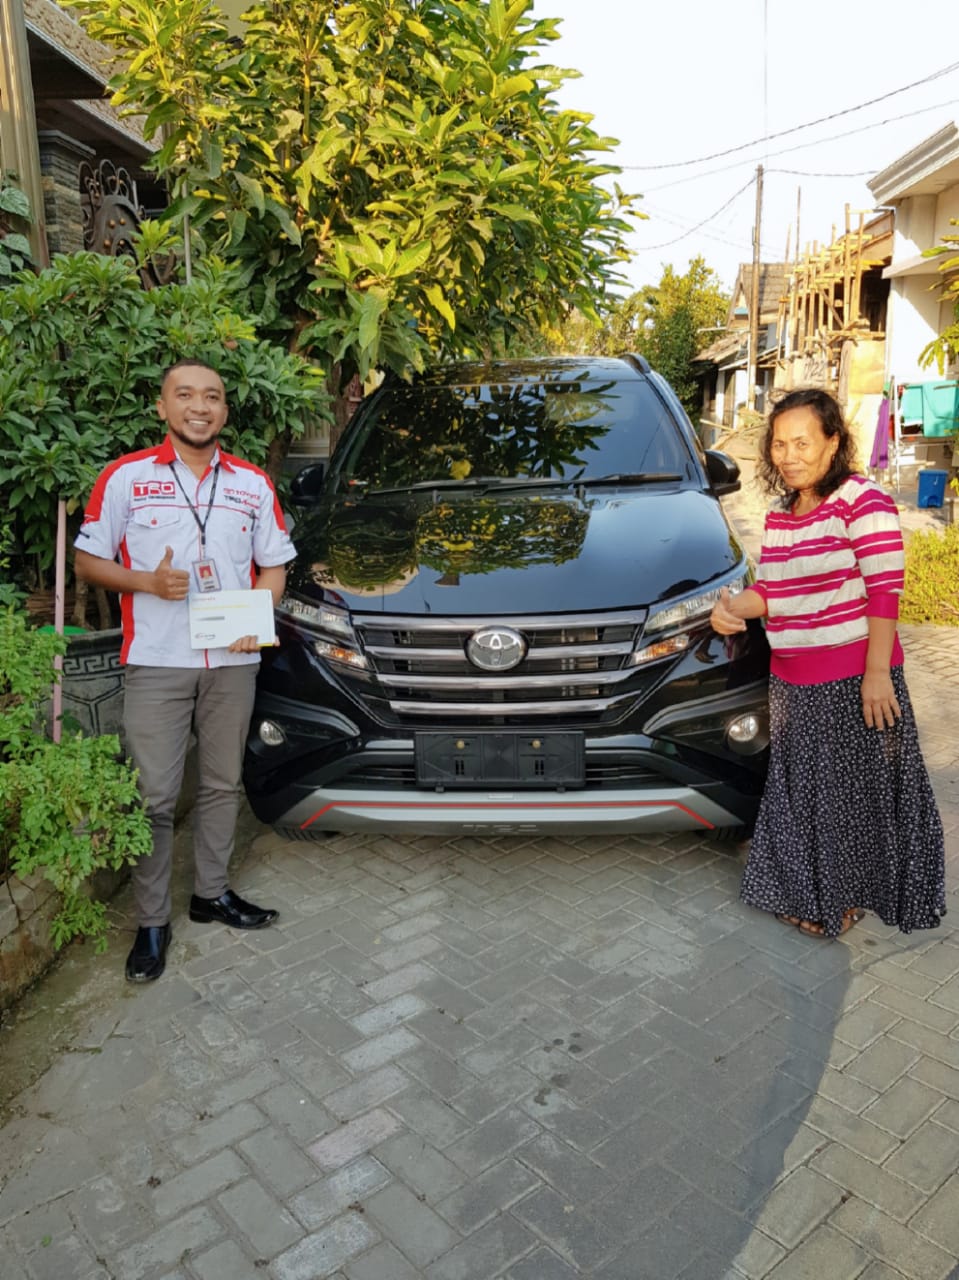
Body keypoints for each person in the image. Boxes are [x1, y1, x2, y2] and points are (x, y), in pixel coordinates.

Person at [74, 359, 296, 981]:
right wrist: (146, 581)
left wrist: (260, 614)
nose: (200, 407)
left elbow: (274, 566)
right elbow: (87, 561)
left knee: (223, 783)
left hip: (232, 659)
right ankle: (151, 922)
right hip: (157, 659)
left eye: (213, 397)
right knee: (155, 795)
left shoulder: (253, 483)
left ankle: (211, 894)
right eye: (186, 395)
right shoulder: (125, 478)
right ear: (163, 407)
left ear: (224, 410)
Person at [710, 387, 945, 939]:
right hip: (791, 682)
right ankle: (813, 895)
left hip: (851, 681)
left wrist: (877, 674)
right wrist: (731, 608)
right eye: (779, 444)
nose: (789, 456)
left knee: (849, 803)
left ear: (833, 442)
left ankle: (841, 901)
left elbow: (885, 590)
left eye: (803, 443)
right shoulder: (781, 515)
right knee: (805, 800)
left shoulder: (862, 500)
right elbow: (773, 591)